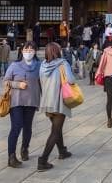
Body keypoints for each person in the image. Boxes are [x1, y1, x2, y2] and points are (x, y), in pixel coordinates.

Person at [37, 42, 76, 171]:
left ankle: (62, 151)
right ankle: (43, 160)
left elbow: (40, 81)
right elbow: (71, 80)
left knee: (56, 128)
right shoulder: (63, 63)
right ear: (57, 51)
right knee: (55, 131)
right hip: (59, 101)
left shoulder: (42, 65)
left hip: (46, 101)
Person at [2, 41, 41, 168]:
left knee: (28, 127)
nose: (28, 52)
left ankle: (25, 148)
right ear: (21, 51)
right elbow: (6, 81)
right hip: (16, 101)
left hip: (31, 102)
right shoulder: (15, 65)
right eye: (26, 49)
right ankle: (11, 156)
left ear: (35, 51)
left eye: (31, 50)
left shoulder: (39, 66)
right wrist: (18, 84)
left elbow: (44, 82)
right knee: (16, 127)